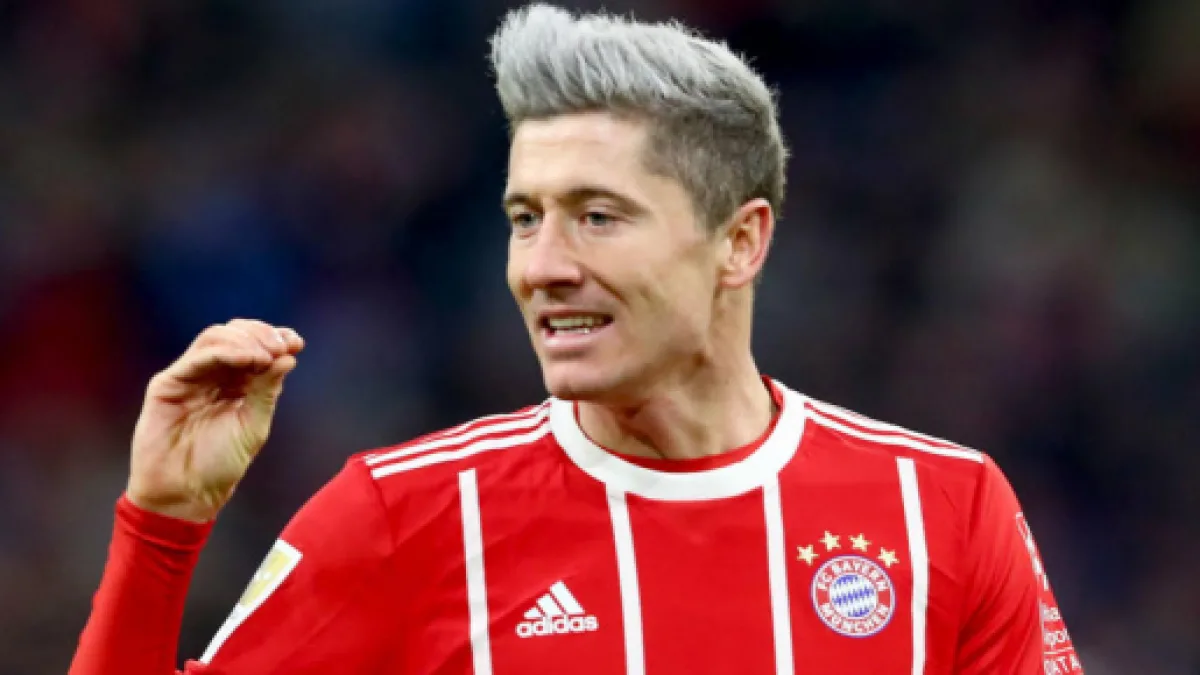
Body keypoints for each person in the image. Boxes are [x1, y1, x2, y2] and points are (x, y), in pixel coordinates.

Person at [70, 4, 1083, 674]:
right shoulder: (404, 517)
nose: (543, 265)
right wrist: (161, 528)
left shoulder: (941, 510)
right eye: (525, 218)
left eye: (598, 216)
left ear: (740, 241)